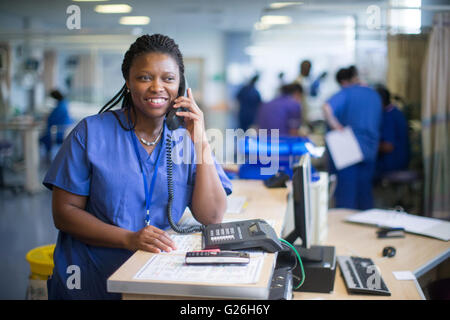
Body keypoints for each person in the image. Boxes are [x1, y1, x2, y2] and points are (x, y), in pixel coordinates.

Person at [43, 34, 232, 299]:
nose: (157, 87)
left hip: (154, 278)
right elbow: (64, 213)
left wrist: (200, 140)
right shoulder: (90, 133)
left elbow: (211, 217)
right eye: (145, 77)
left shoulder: (187, 139)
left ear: (180, 86)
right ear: (128, 82)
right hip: (91, 280)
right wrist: (129, 238)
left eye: (168, 78)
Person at [322, 66, 382, 210]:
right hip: (370, 149)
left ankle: (345, 230)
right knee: (365, 195)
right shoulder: (374, 95)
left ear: (343, 82)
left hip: (348, 149)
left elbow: (326, 107)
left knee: (346, 197)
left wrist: (337, 127)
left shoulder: (346, 93)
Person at [375, 85, 410, 177]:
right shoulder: (395, 112)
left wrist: (367, 146)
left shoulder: (388, 117)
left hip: (392, 163)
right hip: (401, 160)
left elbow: (388, 146)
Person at [39, 89, 73, 157]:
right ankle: (47, 156)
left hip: (59, 132)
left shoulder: (61, 105)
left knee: (43, 138)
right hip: (63, 129)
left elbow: (53, 118)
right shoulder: (63, 103)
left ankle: (47, 156)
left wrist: (47, 118)